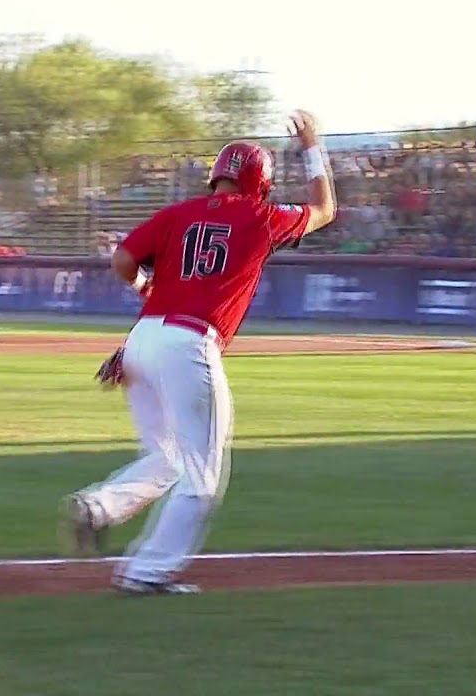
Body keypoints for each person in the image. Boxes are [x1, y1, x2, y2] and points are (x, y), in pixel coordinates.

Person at [61, 111, 337, 596]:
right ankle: (146, 573)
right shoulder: (262, 216)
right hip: (189, 344)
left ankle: (101, 506)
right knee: (201, 480)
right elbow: (324, 209)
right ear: (261, 184)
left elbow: (123, 261)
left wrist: (149, 288)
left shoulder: (178, 213)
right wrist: (312, 145)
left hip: (142, 340)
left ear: (216, 175)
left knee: (169, 457)